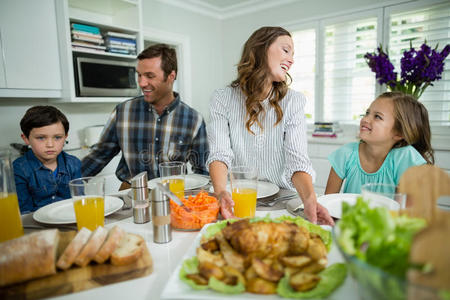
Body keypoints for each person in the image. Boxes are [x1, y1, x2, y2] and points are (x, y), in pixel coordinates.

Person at [207, 26, 334, 225]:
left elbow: (297, 161)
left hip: (283, 202)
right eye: (286, 50)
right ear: (261, 48)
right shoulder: (222, 98)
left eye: (293, 54)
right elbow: (219, 153)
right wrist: (221, 191)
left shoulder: (293, 101)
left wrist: (310, 200)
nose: (291, 59)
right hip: (237, 200)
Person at [81, 44, 209, 189]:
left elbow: (202, 172)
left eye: (150, 76)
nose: (142, 83)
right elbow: (99, 156)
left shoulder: (193, 120)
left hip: (175, 195)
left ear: (171, 77)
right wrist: (62, 183)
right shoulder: (123, 112)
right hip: (131, 194)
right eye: (139, 75)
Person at [325, 92, 434, 194]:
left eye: (377, 116)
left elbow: (404, 212)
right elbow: (327, 204)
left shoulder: (404, 159)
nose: (366, 119)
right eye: (367, 113)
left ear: (399, 133)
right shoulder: (346, 153)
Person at [13, 106, 81, 213]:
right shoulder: (19, 169)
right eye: (41, 138)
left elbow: (80, 201)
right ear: (26, 139)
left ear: (65, 137)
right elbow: (23, 212)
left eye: (57, 137)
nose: (50, 145)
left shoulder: (74, 163)